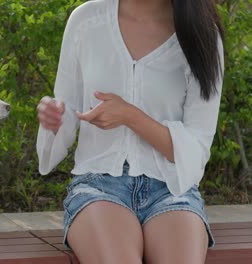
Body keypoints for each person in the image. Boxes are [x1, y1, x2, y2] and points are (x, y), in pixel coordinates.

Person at [36, 0, 224, 263]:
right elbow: (66, 111)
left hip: (173, 191)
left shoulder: (202, 32)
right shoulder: (86, 21)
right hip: (98, 187)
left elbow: (196, 151)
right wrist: (52, 119)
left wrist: (130, 116)